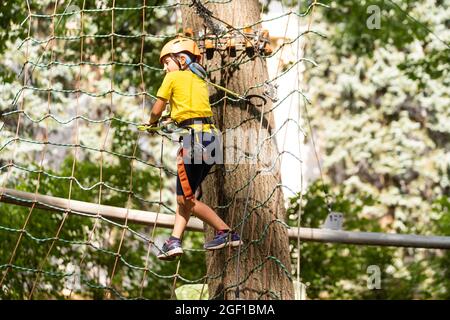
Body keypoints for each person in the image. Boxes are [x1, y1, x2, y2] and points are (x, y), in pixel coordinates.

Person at [148, 37, 243, 260]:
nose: (165, 68)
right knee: (187, 195)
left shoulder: (172, 78)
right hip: (212, 140)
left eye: (166, 62)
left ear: (181, 60)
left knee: (185, 199)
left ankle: (226, 231)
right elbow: (191, 109)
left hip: (194, 141)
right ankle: (174, 241)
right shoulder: (198, 82)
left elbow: (156, 109)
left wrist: (152, 122)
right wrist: (173, 118)